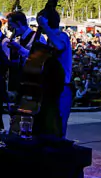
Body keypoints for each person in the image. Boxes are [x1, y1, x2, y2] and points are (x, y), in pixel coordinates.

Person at [36, 9, 72, 138]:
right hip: (51, 87)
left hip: (62, 87)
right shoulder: (50, 40)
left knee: (59, 124)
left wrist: (45, 25)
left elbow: (59, 47)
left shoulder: (62, 36)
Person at [5, 12, 46, 94]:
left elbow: (40, 60)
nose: (9, 28)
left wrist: (19, 48)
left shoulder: (38, 37)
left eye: (10, 25)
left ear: (18, 23)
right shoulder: (19, 40)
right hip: (22, 81)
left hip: (33, 82)